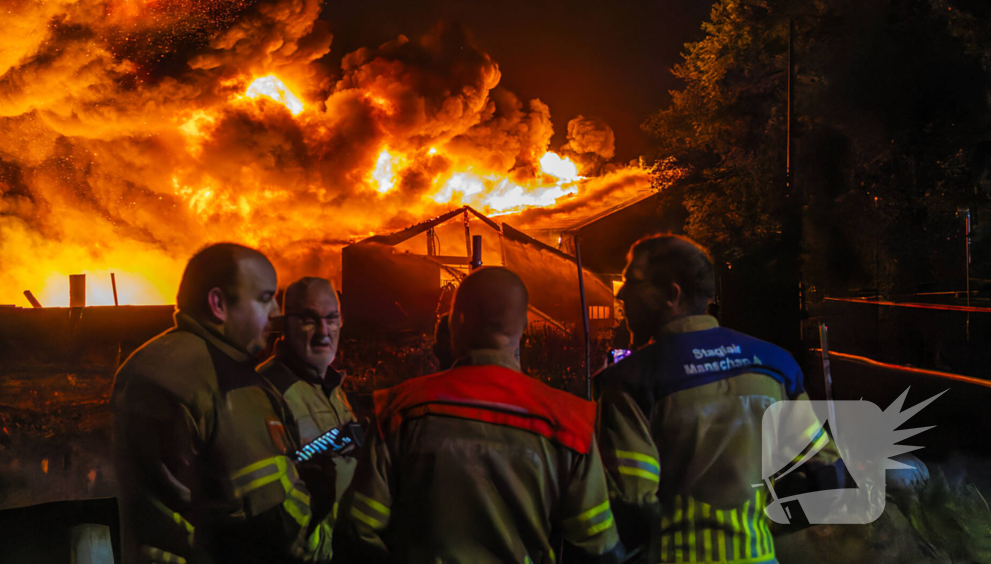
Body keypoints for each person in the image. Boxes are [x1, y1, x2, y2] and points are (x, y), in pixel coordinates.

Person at [337, 267, 625, 563]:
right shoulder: (569, 423)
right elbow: (600, 548)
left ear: (455, 323)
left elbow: (358, 530)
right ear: (524, 326)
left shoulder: (399, 411)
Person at [596, 234, 844, 564]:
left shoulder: (630, 381)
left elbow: (631, 505)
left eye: (632, 282)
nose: (621, 294)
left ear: (672, 294)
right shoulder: (776, 365)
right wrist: (762, 526)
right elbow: (828, 478)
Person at [112, 243, 331, 564]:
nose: (275, 312)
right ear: (218, 304)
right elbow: (278, 526)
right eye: (265, 299)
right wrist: (324, 524)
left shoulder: (142, 363)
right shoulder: (228, 383)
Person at [258, 276, 359, 557]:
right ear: (284, 324)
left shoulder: (331, 387)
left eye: (332, 319)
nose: (324, 332)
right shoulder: (266, 392)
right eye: (309, 320)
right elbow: (268, 505)